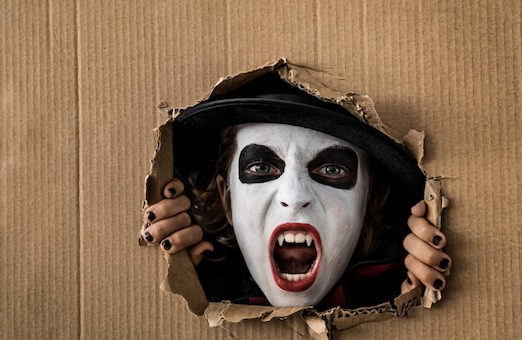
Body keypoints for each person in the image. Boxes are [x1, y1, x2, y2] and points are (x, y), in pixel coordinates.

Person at [142, 71, 451, 309]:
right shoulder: (208, 280)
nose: (294, 196)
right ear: (227, 198)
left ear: (371, 199)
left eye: (332, 169)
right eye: (261, 167)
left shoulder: (400, 284)